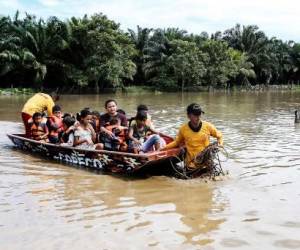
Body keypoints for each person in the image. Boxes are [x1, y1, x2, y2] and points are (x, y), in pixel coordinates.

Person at [163, 103, 223, 169]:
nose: (198, 117)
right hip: (191, 165)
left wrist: (220, 145)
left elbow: (219, 136)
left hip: (206, 164)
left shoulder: (208, 126)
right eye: (195, 115)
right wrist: (163, 148)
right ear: (188, 116)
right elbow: (176, 142)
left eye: (199, 114)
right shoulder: (183, 129)